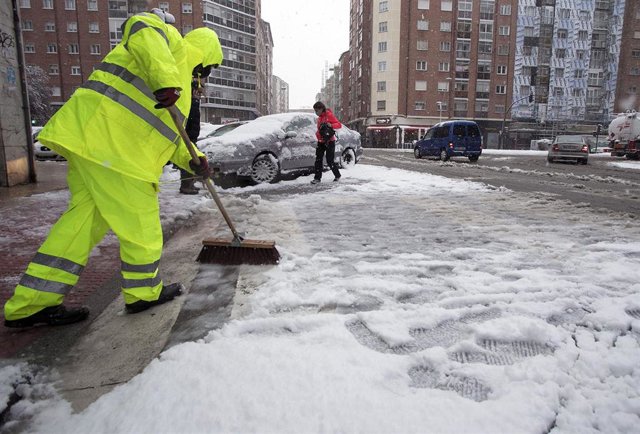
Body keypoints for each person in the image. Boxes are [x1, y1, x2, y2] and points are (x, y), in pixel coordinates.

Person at [3, 12, 223, 328]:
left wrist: (194, 159)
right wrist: (165, 81)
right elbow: (140, 24)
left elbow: (168, 136)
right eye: (209, 71)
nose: (204, 79)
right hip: (116, 153)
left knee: (79, 227)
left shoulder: (181, 89)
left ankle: (31, 304)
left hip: (92, 143)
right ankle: (144, 294)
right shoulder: (172, 45)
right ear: (206, 61)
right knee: (143, 229)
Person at [178, 77, 204, 195]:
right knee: (189, 158)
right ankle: (186, 186)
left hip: (192, 134)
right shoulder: (190, 102)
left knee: (191, 158)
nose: (199, 93)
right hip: (189, 134)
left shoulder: (194, 102)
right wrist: (194, 100)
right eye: (198, 91)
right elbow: (191, 119)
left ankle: (189, 184)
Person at [311, 101, 342, 184]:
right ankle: (317, 178)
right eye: (315, 111)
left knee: (329, 160)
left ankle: (337, 175)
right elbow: (320, 130)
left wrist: (331, 125)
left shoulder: (329, 115)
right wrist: (317, 135)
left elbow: (339, 125)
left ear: (321, 109)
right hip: (321, 141)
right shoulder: (319, 118)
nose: (316, 112)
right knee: (318, 160)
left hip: (329, 141)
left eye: (317, 110)